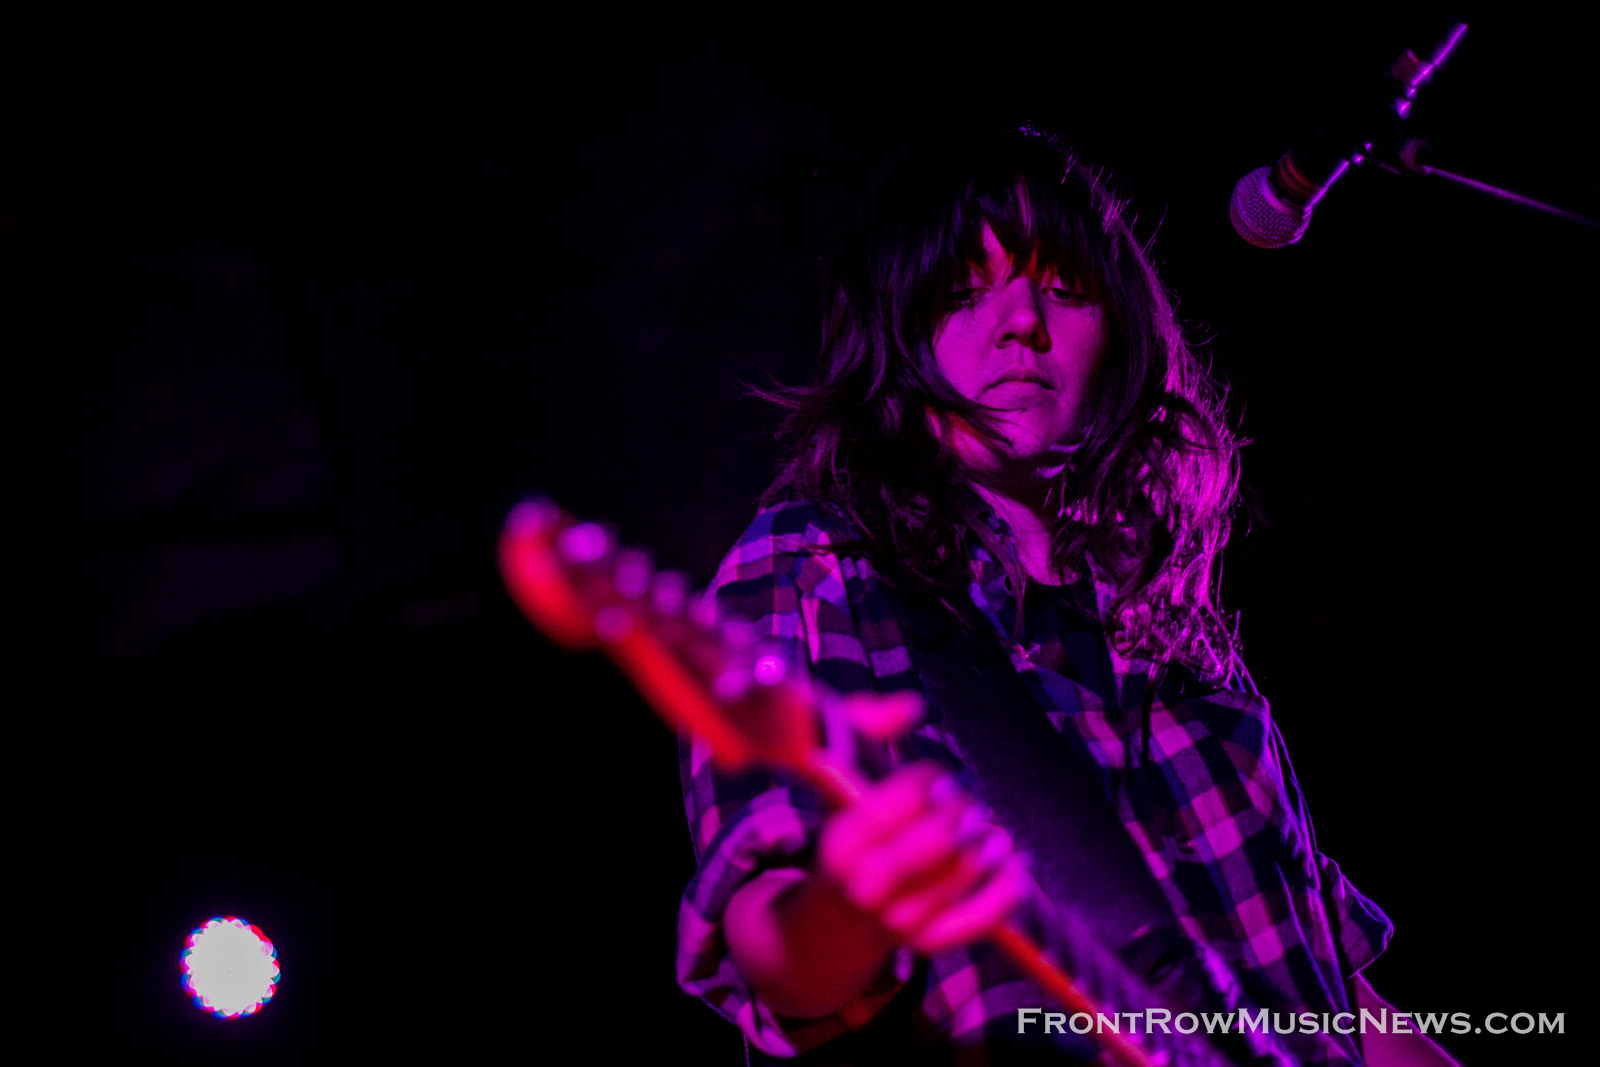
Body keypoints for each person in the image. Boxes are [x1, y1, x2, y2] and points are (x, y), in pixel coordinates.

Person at [676, 126, 1458, 1065]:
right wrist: (852, 897)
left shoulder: (1172, 622)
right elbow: (772, 949)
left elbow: (1330, 994)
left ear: (1119, 336)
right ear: (895, 333)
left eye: (1061, 287)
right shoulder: (816, 564)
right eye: (963, 289)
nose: (1020, 322)